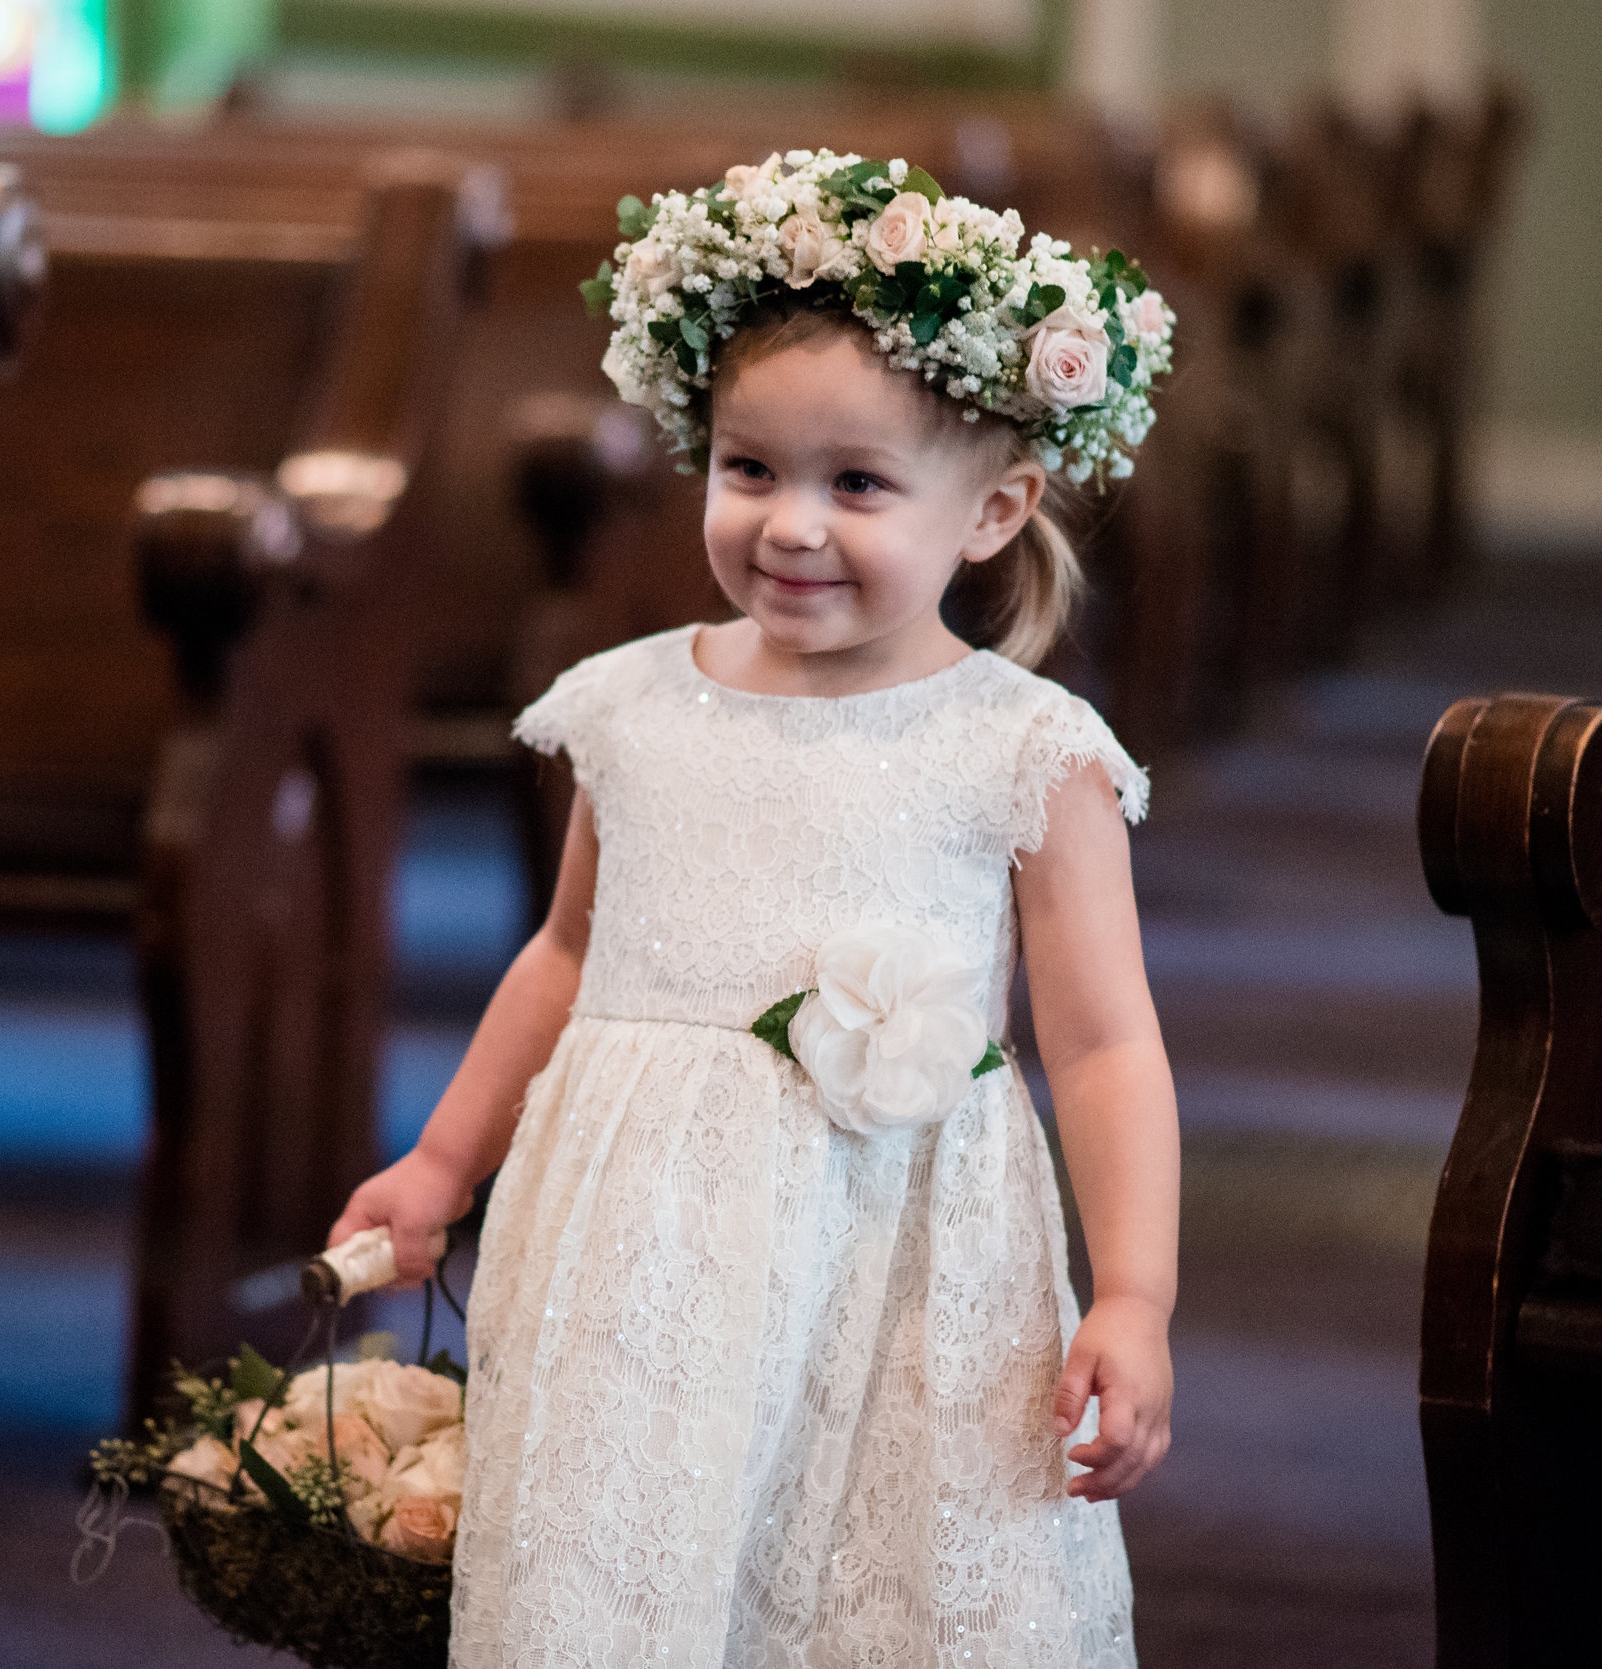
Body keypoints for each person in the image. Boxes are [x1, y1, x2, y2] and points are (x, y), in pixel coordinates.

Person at [331, 150, 1180, 1667]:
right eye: (749, 470)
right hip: (636, 1249)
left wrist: (1133, 1294)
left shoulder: (1022, 750)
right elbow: (567, 953)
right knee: (623, 1573)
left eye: (856, 483)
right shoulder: (632, 706)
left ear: (993, 511)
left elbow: (1106, 1044)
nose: (790, 525)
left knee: (871, 1583)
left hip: (900, 1259)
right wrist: (442, 1161)